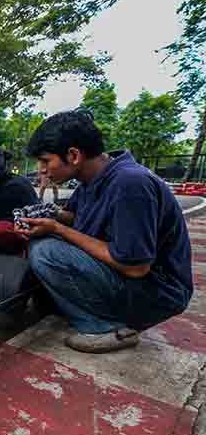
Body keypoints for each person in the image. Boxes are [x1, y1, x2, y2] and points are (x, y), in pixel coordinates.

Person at [17, 109, 192, 353]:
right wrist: (49, 216)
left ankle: (105, 327)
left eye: (46, 161)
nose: (42, 169)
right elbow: (75, 217)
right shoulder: (92, 179)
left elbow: (135, 267)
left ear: (74, 155)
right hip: (131, 280)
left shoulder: (130, 184)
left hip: (157, 291)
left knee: (46, 251)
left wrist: (59, 229)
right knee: (45, 240)